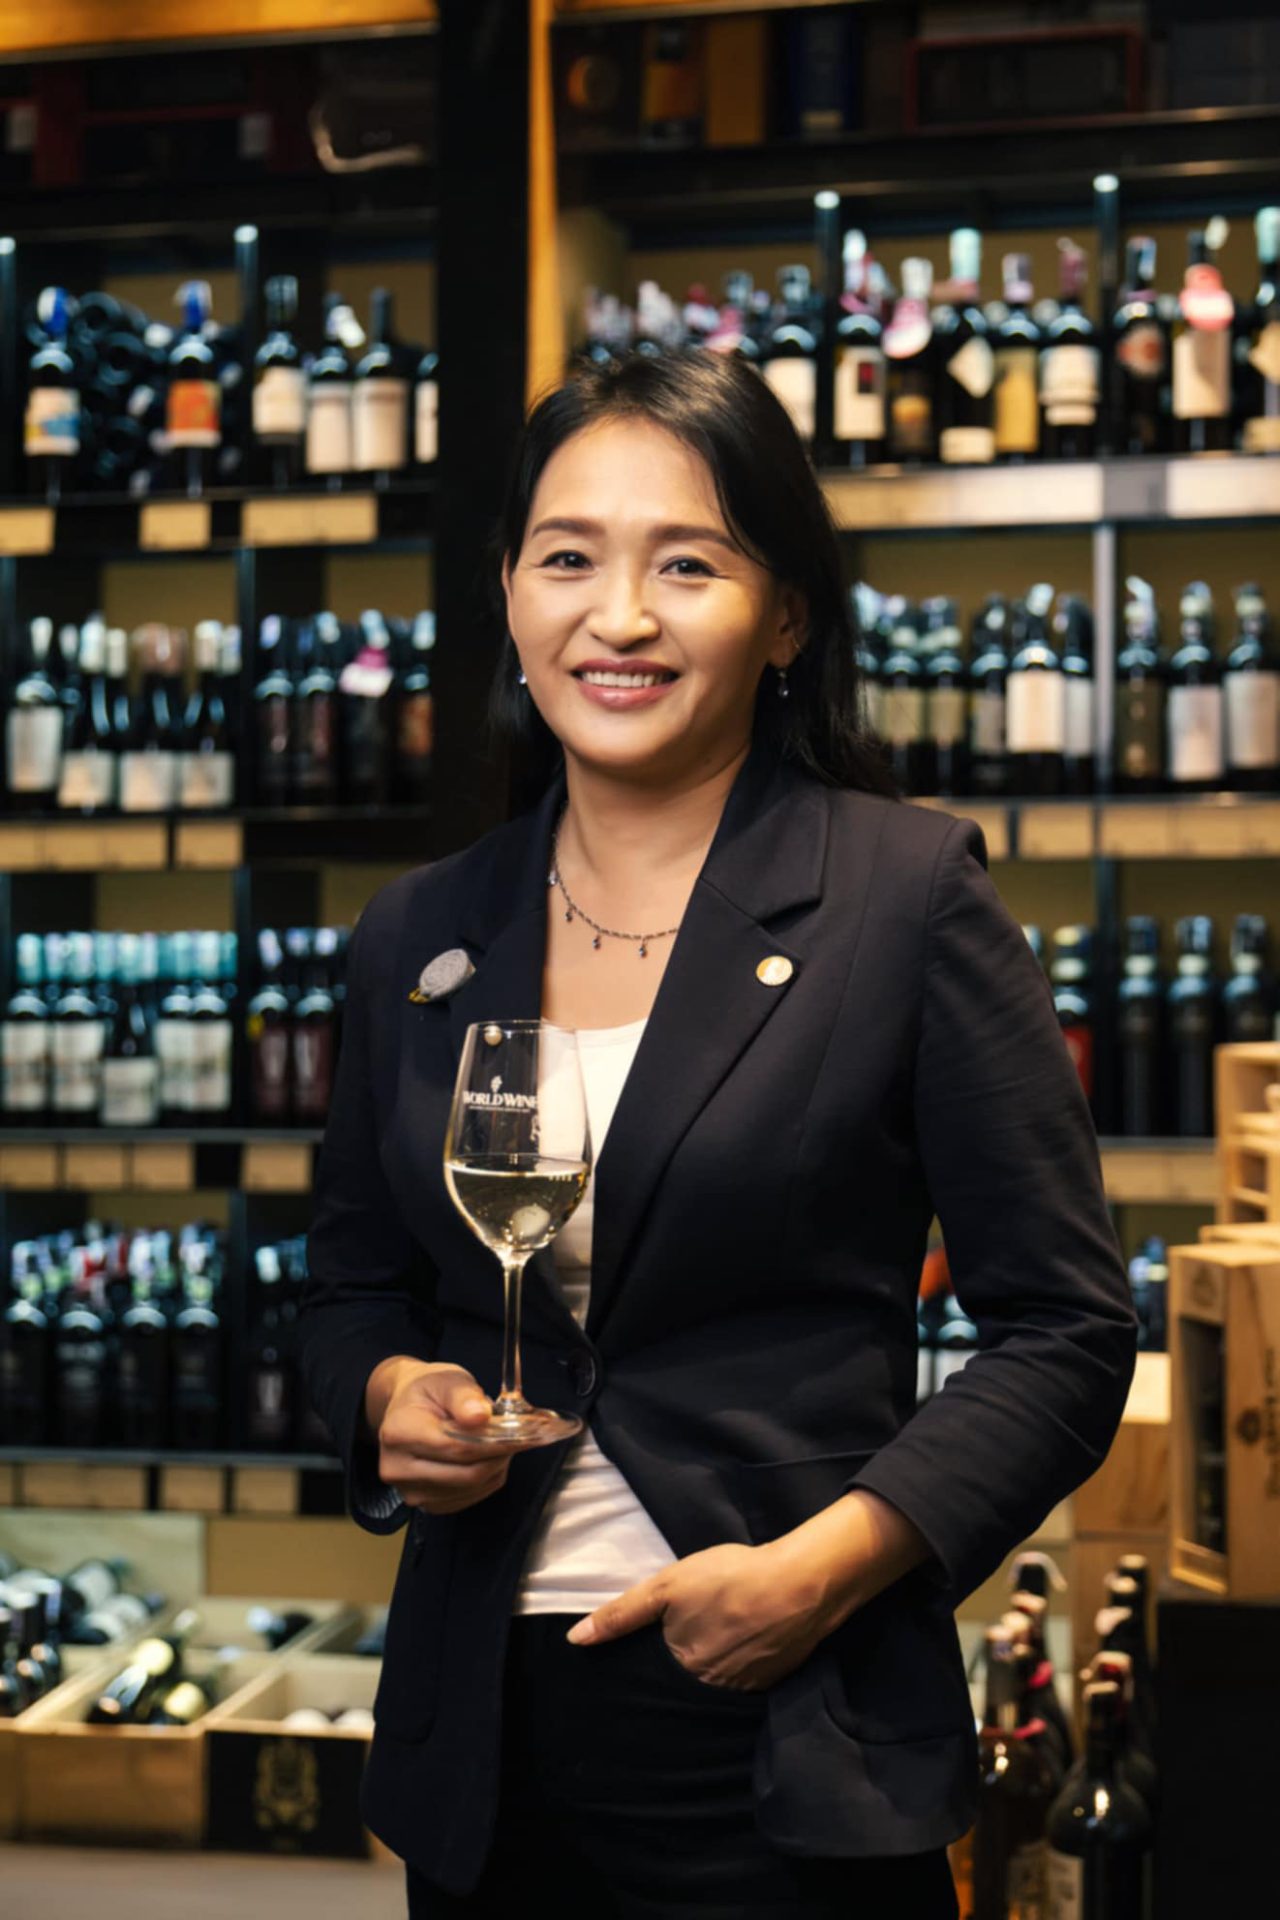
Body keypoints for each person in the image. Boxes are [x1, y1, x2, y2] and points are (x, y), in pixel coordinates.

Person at [300, 348, 1137, 1918]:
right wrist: (385, 1394)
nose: (618, 617)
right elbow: (343, 1280)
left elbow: (1066, 1329)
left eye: (687, 563)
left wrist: (826, 1569)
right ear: (509, 595)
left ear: (789, 616)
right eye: (568, 559)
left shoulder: (903, 897)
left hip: (789, 1716)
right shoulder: (424, 929)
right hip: (480, 1733)